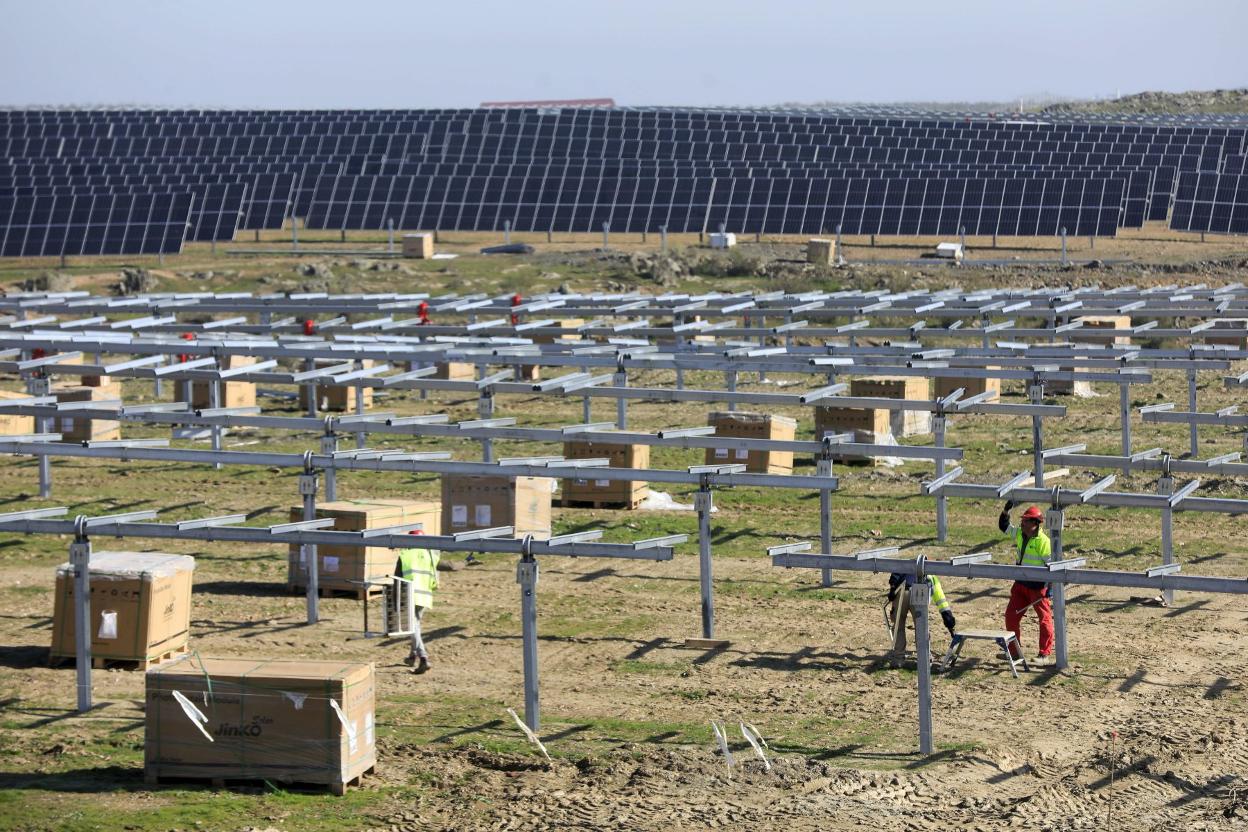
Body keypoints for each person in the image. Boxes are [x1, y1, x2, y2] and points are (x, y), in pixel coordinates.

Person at [999, 502, 1055, 667]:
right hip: (1020, 585)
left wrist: (1049, 588)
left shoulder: (1043, 541)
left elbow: (1052, 566)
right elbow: (1004, 526)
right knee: (1011, 616)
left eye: (1026, 521)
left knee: (1044, 620)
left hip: (1038, 588)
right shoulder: (1019, 534)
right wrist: (1006, 510)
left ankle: (1044, 655)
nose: (1022, 523)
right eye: (1022, 520)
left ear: (1035, 524)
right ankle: (1014, 652)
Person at [885, 572, 956, 667]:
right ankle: (924, 659)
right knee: (921, 627)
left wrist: (893, 588)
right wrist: (948, 618)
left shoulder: (905, 565)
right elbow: (941, 599)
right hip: (919, 594)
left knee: (898, 626)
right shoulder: (932, 577)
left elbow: (895, 575)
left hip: (901, 591)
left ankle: (898, 659)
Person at [395, 529, 440, 674]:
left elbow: (397, 580)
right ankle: (412, 656)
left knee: (413, 627)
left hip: (410, 596)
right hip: (425, 596)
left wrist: (396, 600)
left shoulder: (405, 555)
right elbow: (448, 565)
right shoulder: (431, 555)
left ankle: (423, 658)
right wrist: (465, 562)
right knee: (416, 626)